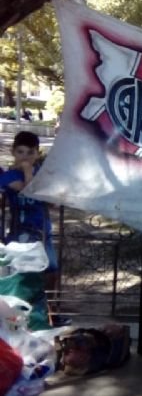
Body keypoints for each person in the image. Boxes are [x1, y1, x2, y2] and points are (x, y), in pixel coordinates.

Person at [0, 130, 62, 330]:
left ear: (37, 153)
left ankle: (49, 312)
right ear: (13, 152)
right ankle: (21, 316)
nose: (25, 157)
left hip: (42, 231)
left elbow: (51, 201)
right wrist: (28, 171)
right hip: (21, 233)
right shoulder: (10, 175)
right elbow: (30, 190)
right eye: (21, 152)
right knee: (24, 273)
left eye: (30, 153)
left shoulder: (44, 173)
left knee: (50, 269)